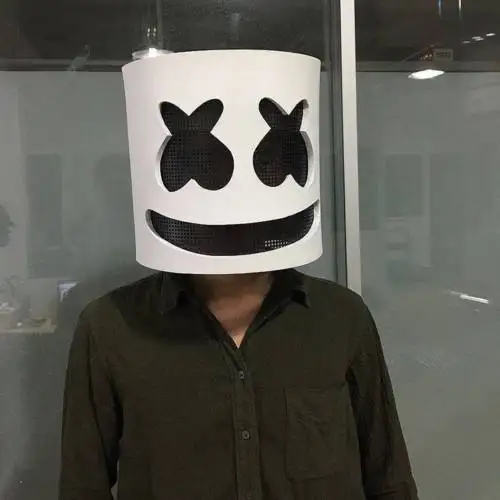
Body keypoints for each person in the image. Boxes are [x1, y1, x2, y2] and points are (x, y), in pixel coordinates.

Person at [59, 50, 418, 500]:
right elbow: (82, 485)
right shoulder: (110, 329)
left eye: (276, 163)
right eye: (193, 166)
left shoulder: (342, 318)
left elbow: (388, 476)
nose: (236, 209)